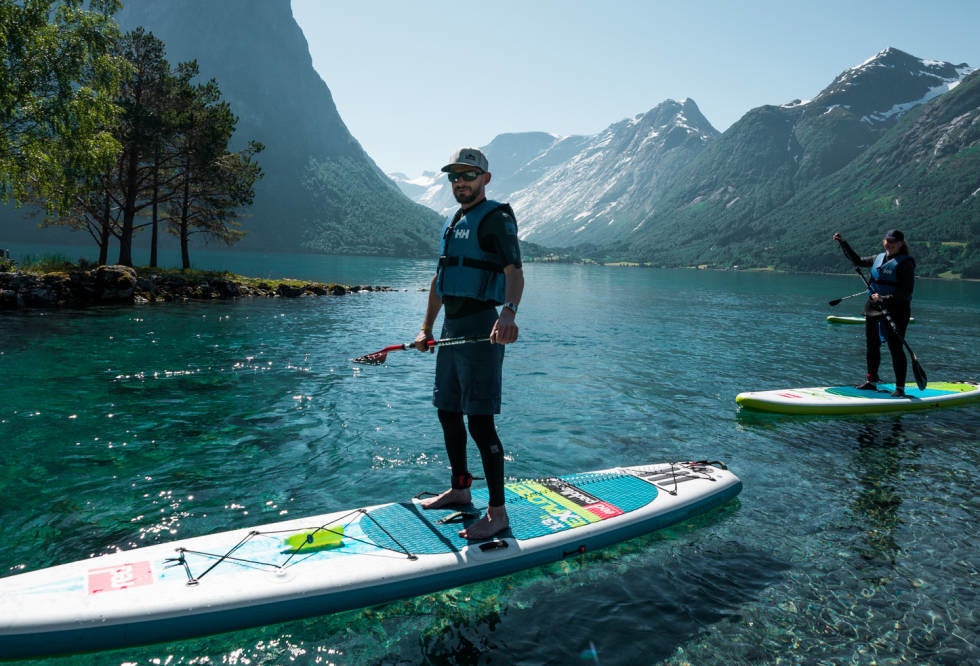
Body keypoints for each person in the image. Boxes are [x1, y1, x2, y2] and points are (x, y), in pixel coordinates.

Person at [413, 147, 524, 540]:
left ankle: (497, 513)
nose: (460, 182)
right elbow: (439, 280)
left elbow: (514, 271)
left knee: (480, 422)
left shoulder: (495, 218)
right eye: (454, 176)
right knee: (447, 411)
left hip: (482, 327)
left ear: (485, 179)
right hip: (450, 329)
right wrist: (426, 327)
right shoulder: (455, 219)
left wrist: (508, 313)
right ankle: (461, 489)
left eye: (468, 175)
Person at [833, 229, 915, 397]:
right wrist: (843, 243)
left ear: (900, 243)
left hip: (896, 310)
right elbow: (856, 260)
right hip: (873, 308)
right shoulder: (877, 258)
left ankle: (900, 388)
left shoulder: (906, 263)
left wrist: (884, 298)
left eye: (893, 242)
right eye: (887, 241)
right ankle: (871, 381)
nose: (889, 244)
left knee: (895, 348)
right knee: (872, 347)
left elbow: (905, 292)